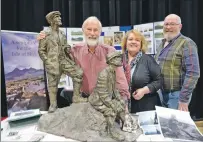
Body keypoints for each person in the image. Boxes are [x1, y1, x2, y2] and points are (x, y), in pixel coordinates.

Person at [37, 16, 130, 107]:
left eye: (95, 30)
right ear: (83, 31)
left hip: (105, 101)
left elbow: (120, 80)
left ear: (100, 32)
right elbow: (59, 60)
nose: (92, 33)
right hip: (83, 101)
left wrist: (123, 103)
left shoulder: (110, 51)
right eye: (89, 29)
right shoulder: (74, 51)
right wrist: (45, 38)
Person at [155, 14, 200, 111]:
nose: (168, 27)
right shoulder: (161, 44)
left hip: (177, 95)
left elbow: (193, 73)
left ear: (180, 26)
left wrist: (183, 99)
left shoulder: (187, 43)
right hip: (161, 94)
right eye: (166, 24)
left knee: (175, 125)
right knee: (165, 125)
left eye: (172, 24)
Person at [122, 29, 162, 113]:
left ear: (141, 44)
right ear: (125, 43)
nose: (133, 42)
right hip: (123, 108)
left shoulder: (148, 60)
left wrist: (144, 90)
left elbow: (159, 80)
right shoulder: (119, 60)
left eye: (137, 40)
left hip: (145, 108)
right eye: (130, 39)